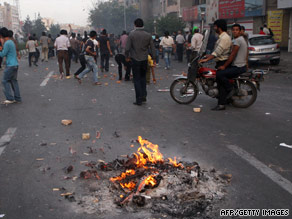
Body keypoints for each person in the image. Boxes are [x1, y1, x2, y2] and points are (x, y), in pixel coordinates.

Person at [213, 24, 248, 111]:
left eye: (237, 30)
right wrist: (246, 63)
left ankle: (230, 89)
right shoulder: (240, 39)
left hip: (238, 67)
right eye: (234, 30)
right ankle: (226, 99)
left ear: (240, 31)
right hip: (241, 65)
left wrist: (224, 66)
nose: (235, 31)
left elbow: (232, 55)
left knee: (219, 74)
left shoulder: (238, 41)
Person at [125, 18, 155, 106]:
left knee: (137, 79)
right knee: (143, 78)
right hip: (144, 59)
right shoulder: (148, 35)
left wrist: (127, 56)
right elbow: (152, 48)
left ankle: (139, 99)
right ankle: (144, 96)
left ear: (135, 24)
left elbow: (127, 48)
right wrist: (154, 58)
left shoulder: (131, 34)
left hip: (135, 59)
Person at [0, 27, 21, 104]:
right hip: (15, 65)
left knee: (4, 81)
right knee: (13, 81)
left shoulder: (7, 43)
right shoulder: (11, 42)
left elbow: (2, 54)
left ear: (1, 35)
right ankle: (17, 98)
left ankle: (9, 98)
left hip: (10, 66)